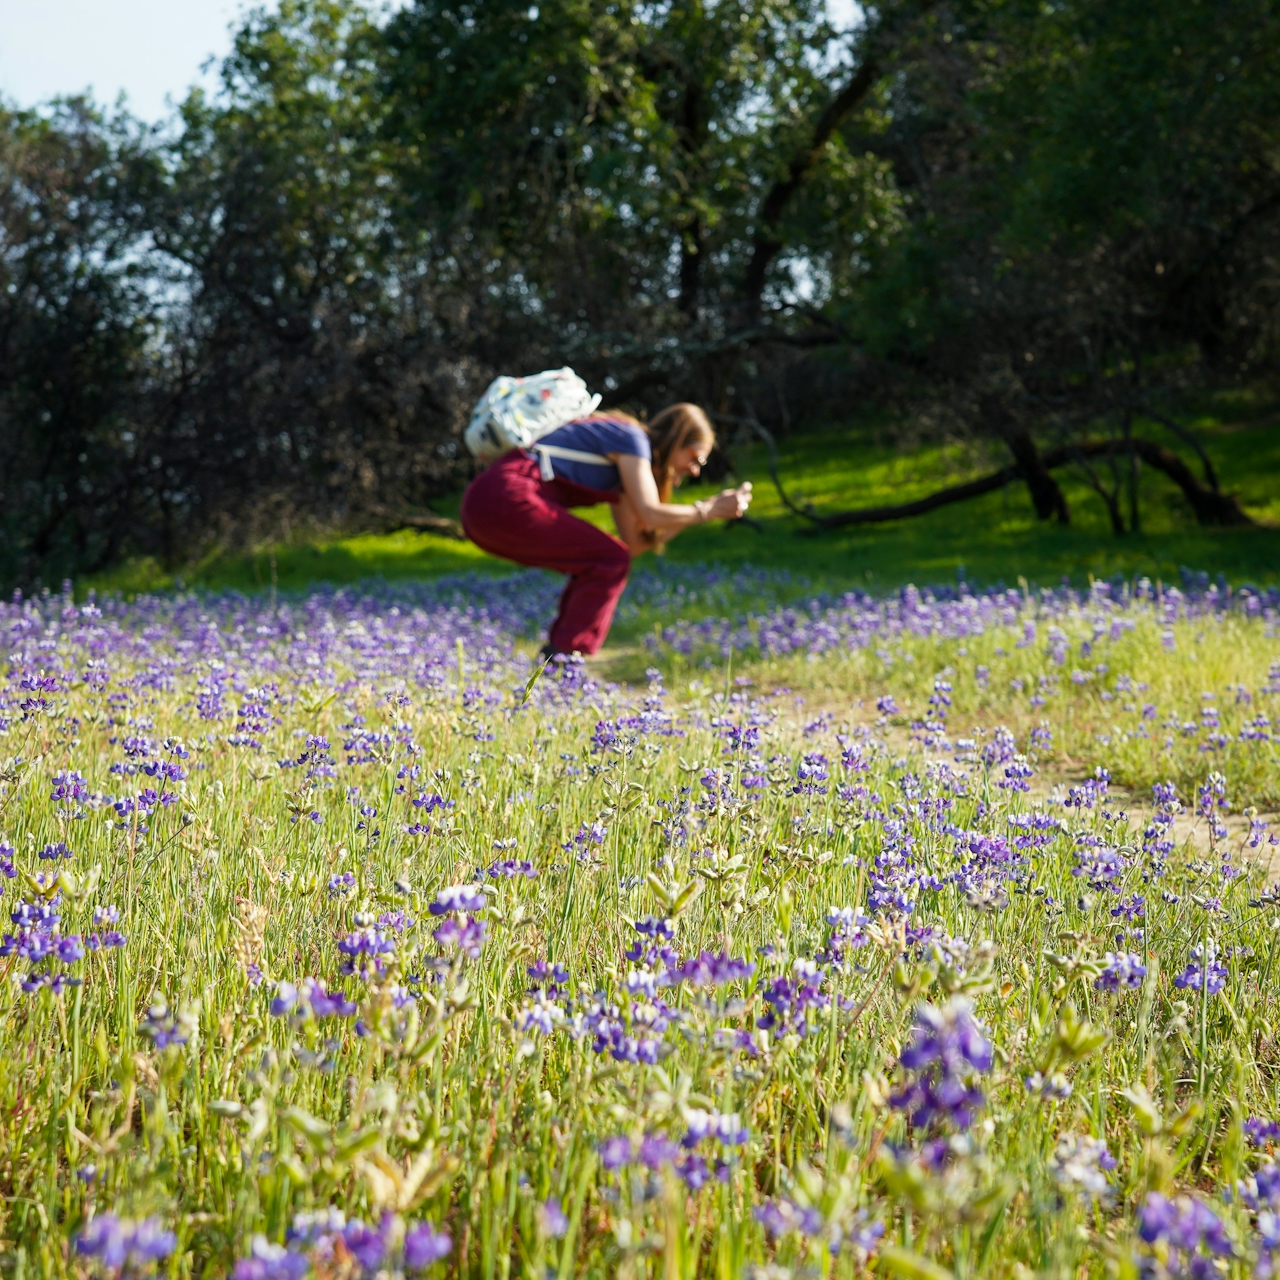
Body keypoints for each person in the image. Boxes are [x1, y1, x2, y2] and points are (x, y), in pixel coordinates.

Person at [460, 403, 752, 657]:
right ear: (677, 440)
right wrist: (709, 509)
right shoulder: (630, 439)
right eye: (695, 458)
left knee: (609, 559)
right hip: (505, 496)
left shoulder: (628, 462)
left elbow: (637, 542)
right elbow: (651, 513)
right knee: (608, 558)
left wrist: (704, 513)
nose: (696, 470)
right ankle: (564, 659)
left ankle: (561, 657)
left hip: (486, 505)